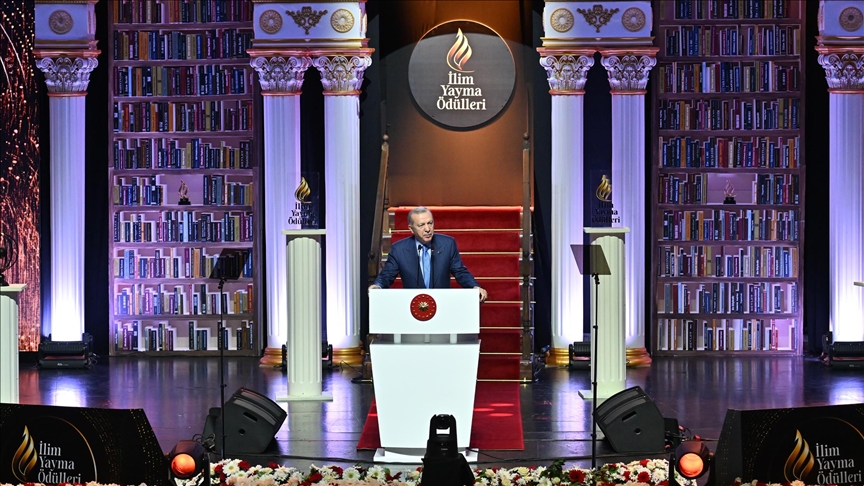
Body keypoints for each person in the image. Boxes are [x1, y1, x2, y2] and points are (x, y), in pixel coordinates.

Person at [369, 206, 488, 302]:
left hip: (441, 304)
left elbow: (460, 271)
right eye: (421, 225)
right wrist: (377, 286)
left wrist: (474, 286)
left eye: (430, 223)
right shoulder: (399, 249)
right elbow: (387, 275)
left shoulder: (447, 244)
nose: (427, 229)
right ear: (411, 229)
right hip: (412, 306)